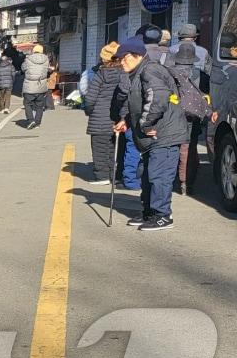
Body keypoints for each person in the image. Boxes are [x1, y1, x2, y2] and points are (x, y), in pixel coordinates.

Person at [113, 36, 187, 231]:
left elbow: (157, 99)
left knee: (159, 175)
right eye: (119, 59)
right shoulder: (138, 73)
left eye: (124, 57)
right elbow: (139, 103)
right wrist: (127, 121)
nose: (121, 62)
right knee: (146, 174)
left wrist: (145, 125)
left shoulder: (150, 70)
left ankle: (162, 215)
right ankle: (149, 212)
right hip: (152, 135)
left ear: (137, 55)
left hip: (163, 134)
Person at [84, 43, 123, 185]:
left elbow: (90, 98)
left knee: (100, 147)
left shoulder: (101, 73)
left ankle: (102, 176)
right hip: (118, 117)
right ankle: (115, 175)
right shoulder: (124, 72)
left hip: (99, 116)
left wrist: (88, 111)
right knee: (115, 148)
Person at [169, 43, 205, 194]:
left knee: (171, 148)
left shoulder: (169, 73)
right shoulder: (199, 74)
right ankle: (186, 183)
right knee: (189, 149)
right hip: (192, 116)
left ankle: (170, 180)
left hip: (172, 115)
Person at [22, 44, 51, 128]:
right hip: (41, 86)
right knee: (39, 105)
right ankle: (37, 122)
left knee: (27, 104)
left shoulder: (28, 59)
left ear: (33, 51)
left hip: (29, 86)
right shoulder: (46, 60)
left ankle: (30, 120)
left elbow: (23, 68)